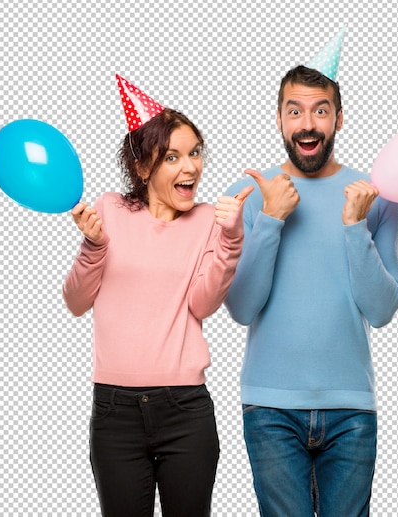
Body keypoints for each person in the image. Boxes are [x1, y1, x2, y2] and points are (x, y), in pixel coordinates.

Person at [224, 42, 398, 516]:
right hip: (269, 408)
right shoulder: (249, 193)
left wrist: (354, 226)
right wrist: (271, 219)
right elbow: (241, 307)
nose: (308, 123)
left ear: (339, 119)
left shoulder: (374, 196)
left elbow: (382, 310)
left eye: (321, 110)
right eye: (295, 111)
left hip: (352, 409)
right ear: (280, 120)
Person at [63, 74, 253, 517]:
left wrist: (231, 239)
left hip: (185, 409)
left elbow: (203, 304)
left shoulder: (209, 220)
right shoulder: (109, 209)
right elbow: (75, 302)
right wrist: (93, 247)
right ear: (144, 167)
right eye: (173, 157)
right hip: (115, 411)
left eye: (195, 153)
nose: (191, 167)